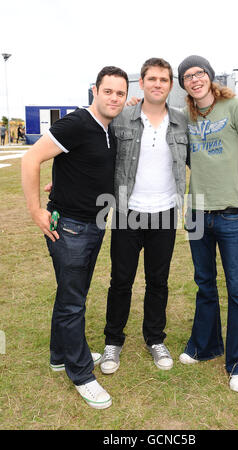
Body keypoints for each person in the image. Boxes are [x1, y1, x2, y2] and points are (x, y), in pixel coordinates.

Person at [21, 66, 128, 409]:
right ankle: (81, 373)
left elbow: (85, 167)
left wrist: (64, 181)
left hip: (93, 224)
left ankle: (59, 355)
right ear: (94, 91)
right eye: (108, 91)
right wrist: (36, 210)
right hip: (69, 228)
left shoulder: (106, 129)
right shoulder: (78, 123)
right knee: (73, 303)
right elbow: (30, 158)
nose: (114, 98)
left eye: (120, 93)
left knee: (72, 295)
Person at [177, 55, 238, 393]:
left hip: (229, 213)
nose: (194, 79)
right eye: (187, 76)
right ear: (183, 84)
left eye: (199, 73)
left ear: (210, 77)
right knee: (204, 283)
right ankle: (206, 345)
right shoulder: (184, 116)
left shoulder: (234, 106)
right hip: (196, 213)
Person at [100, 58, 188, 374]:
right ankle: (113, 342)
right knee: (121, 280)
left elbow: (197, 159)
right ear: (142, 81)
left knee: (158, 281)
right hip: (127, 212)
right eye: (152, 79)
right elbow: (95, 148)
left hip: (165, 213)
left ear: (170, 84)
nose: (157, 84)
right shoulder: (122, 117)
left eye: (163, 80)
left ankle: (155, 338)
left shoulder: (181, 121)